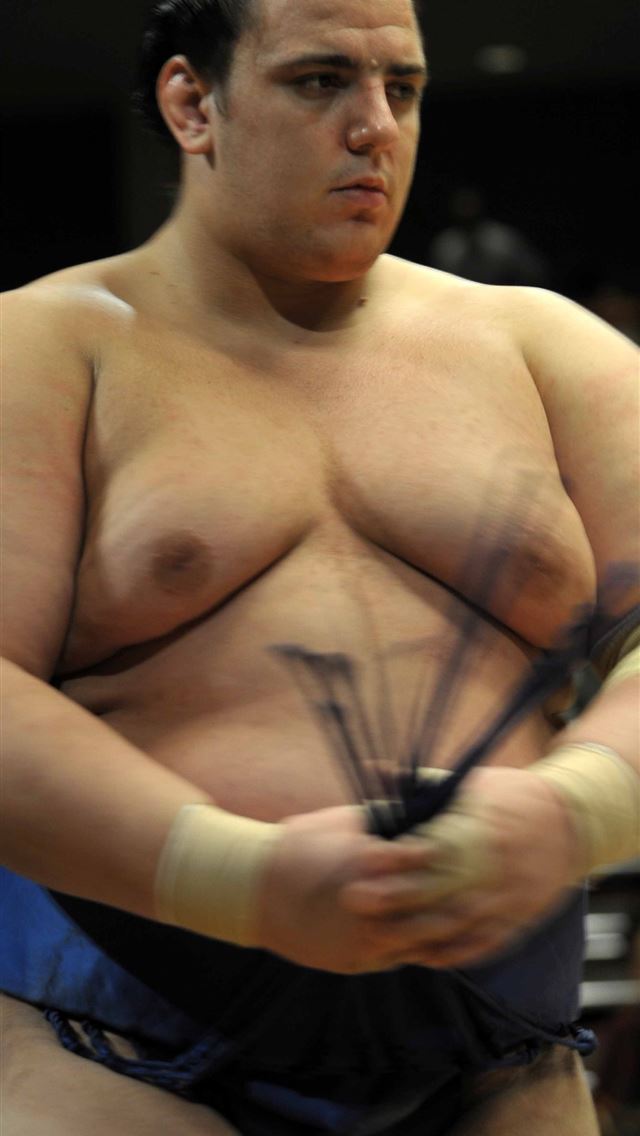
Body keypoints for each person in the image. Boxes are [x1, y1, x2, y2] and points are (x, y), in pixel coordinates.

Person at [1, 0, 638, 1133]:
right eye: (320, 81)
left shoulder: (550, 349)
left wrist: (571, 809)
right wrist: (237, 877)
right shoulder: (43, 349)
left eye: (404, 88)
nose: (376, 126)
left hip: (498, 1056)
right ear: (194, 103)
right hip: (120, 1047)